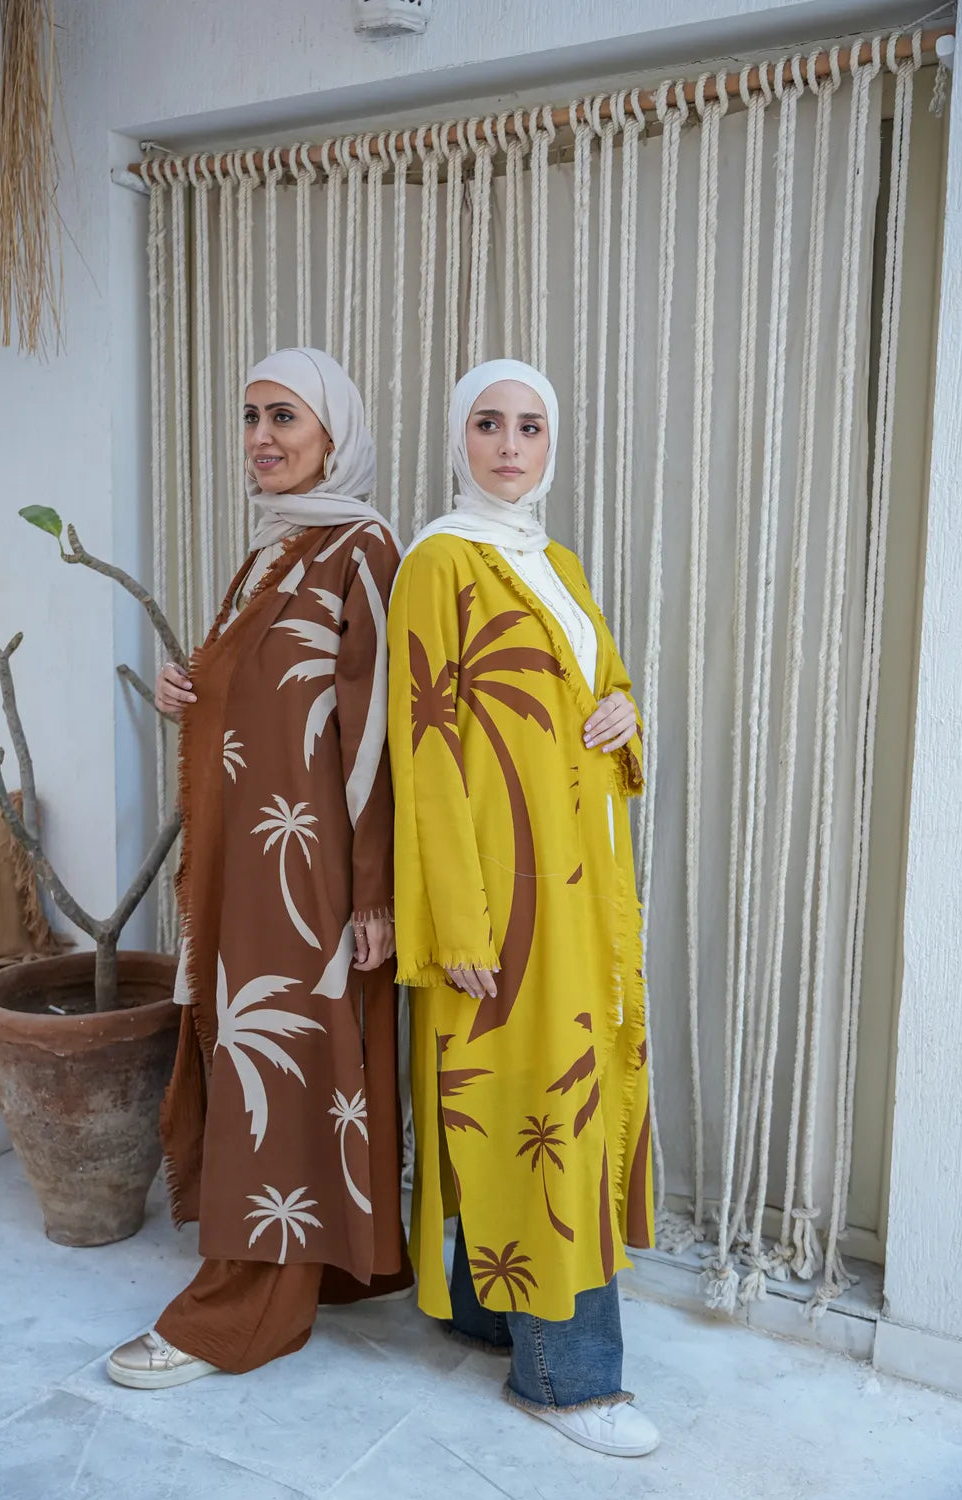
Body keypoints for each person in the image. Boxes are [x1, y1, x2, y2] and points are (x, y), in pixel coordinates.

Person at [107, 347, 412, 1390]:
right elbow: (270, 696)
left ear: (335, 432)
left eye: (285, 416)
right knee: (274, 1058)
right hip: (256, 863)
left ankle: (242, 1312)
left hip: (310, 871)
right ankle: (318, 1264)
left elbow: (379, 735)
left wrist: (373, 893)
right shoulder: (274, 551)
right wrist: (189, 692)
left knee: (279, 1064)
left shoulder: (362, 549)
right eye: (249, 417)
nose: (263, 438)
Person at [387, 359, 658, 1458]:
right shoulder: (438, 562)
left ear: (553, 442)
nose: (509, 446)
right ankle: (567, 1381)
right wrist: (457, 923)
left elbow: (600, 687)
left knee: (534, 1103)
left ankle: (487, 1314)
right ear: (459, 438)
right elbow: (424, 749)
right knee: (544, 1111)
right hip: (505, 901)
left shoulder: (556, 561)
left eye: (531, 426)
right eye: (489, 424)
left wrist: (625, 711)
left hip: (582, 888)